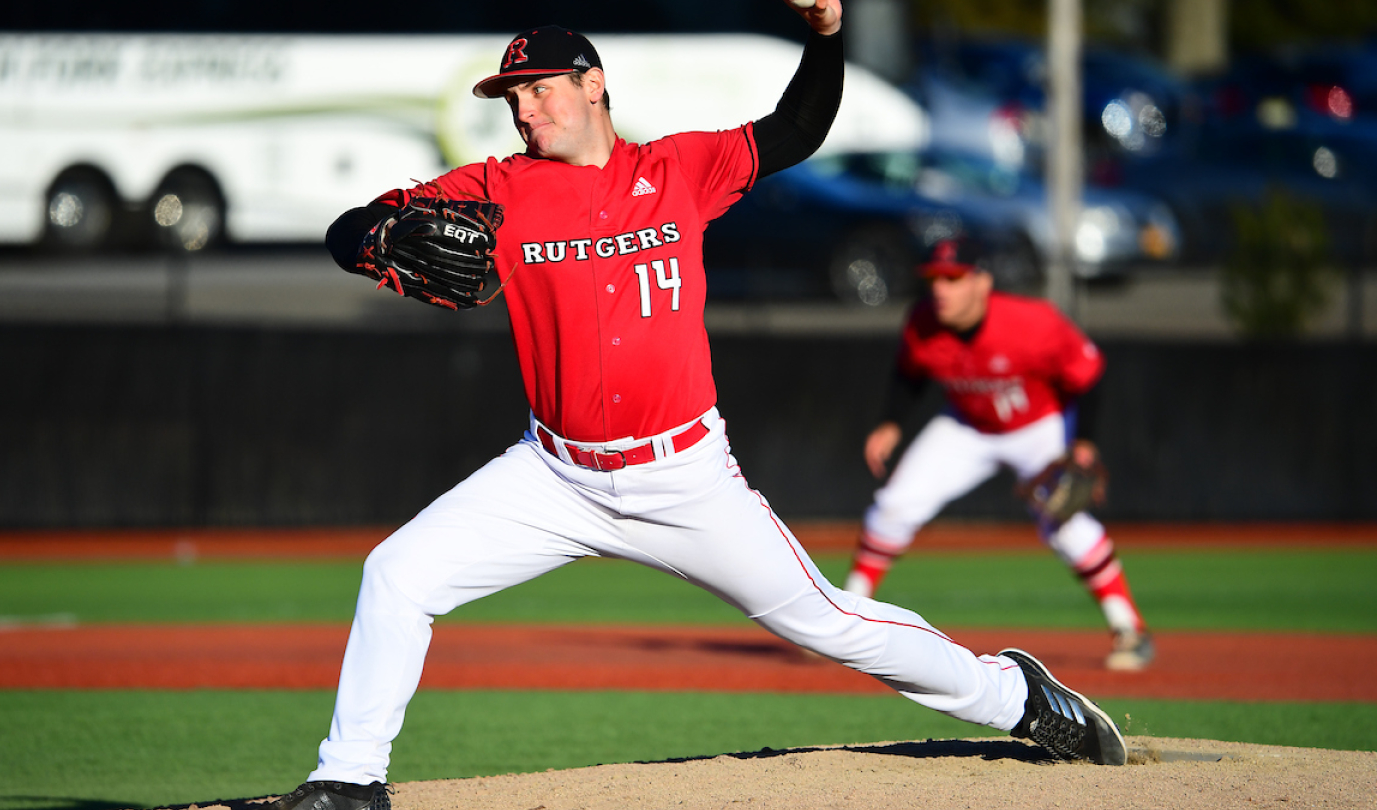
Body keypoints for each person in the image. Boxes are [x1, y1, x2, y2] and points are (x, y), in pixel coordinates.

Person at [275, 5, 1127, 809]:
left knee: (833, 623)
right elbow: (356, 226)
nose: (524, 109)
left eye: (539, 88)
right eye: (513, 98)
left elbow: (798, 129)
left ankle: (1019, 698)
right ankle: (349, 780)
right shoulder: (498, 188)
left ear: (593, 84)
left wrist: (827, 35)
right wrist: (372, 236)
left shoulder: (678, 170)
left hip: (684, 476)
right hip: (555, 476)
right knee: (397, 574)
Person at [841, 236, 1154, 672]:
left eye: (953, 278)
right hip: (967, 426)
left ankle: (1129, 627)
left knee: (1063, 522)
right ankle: (845, 617)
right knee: (895, 504)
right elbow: (909, 372)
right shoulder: (923, 321)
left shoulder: (1033, 321)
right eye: (935, 279)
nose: (940, 289)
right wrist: (891, 422)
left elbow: (1088, 374)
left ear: (982, 281)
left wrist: (1084, 441)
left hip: (1039, 425)